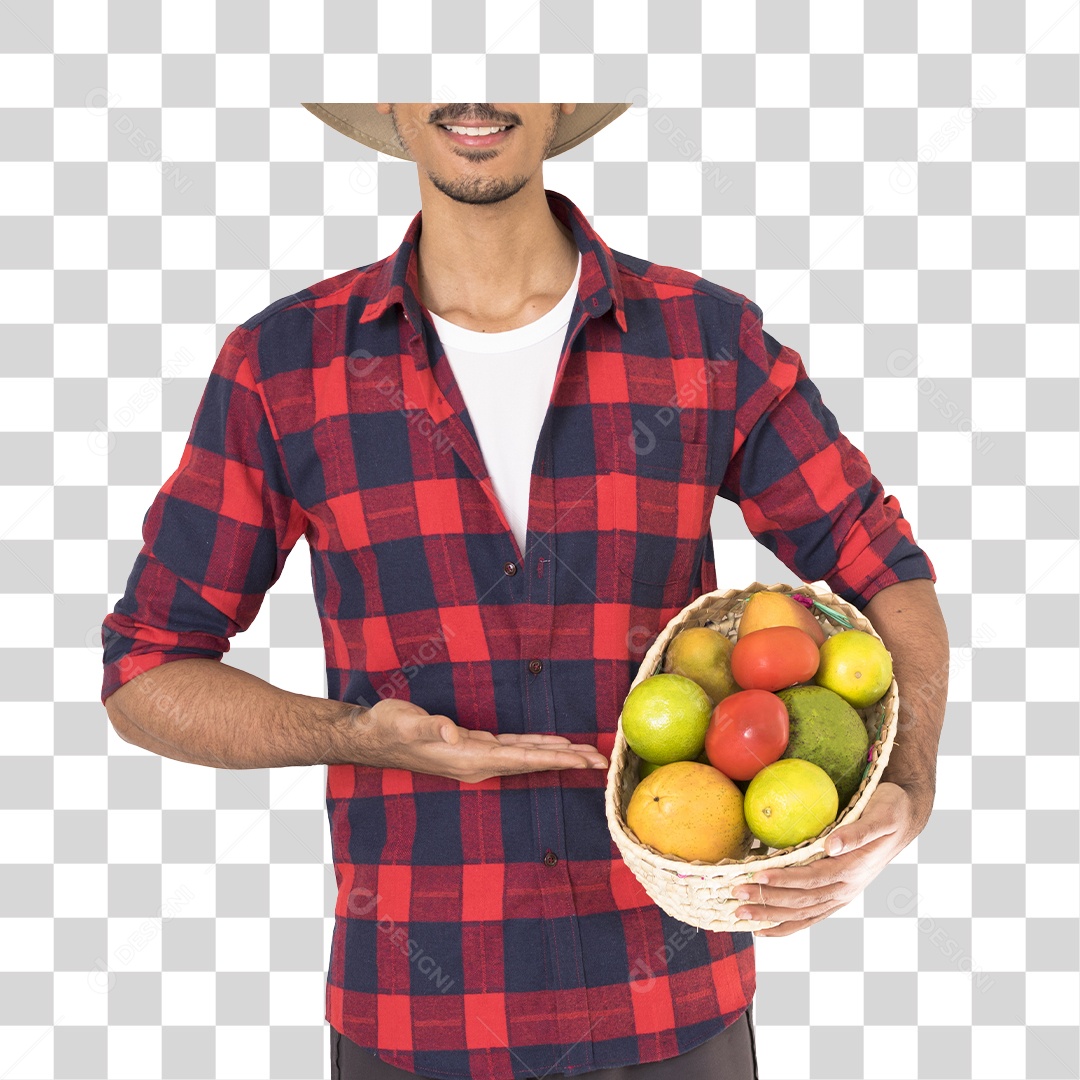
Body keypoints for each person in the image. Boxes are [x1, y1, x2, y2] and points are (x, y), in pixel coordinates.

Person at [100, 102, 950, 1080]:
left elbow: (882, 565)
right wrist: (351, 733)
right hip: (416, 1024)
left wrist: (909, 784)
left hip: (675, 1009)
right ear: (388, 98)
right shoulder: (285, 366)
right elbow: (149, 667)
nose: (475, 89)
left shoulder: (705, 341)